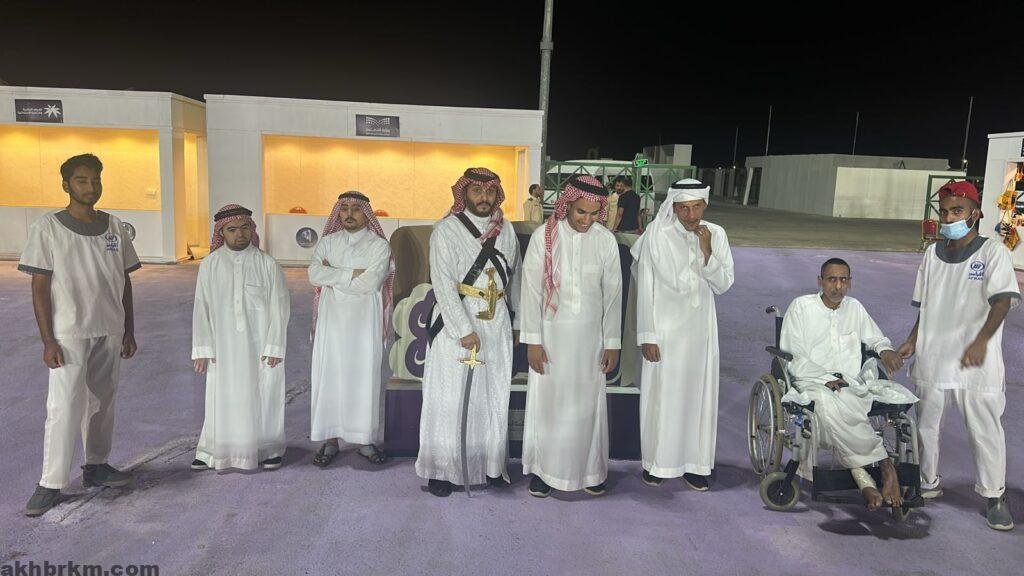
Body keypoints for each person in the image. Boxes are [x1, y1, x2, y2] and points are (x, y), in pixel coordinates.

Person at [21, 154, 141, 517]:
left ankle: (97, 465)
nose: (91, 187)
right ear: (66, 185)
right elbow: (39, 286)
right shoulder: (48, 228)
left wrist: (129, 329)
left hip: (110, 328)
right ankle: (50, 482)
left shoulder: (114, 226)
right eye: (82, 180)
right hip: (70, 332)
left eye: (95, 180)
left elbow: (125, 281)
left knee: (103, 401)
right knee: (64, 406)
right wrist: (48, 340)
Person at [897, 181, 1020, 531]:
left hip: (975, 361)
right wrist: (912, 340)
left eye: (957, 211)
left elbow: (1002, 302)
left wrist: (981, 341)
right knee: (926, 426)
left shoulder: (993, 252)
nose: (949, 218)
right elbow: (927, 306)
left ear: (975, 213)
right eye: (945, 212)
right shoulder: (931, 255)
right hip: (933, 355)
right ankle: (927, 482)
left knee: (985, 430)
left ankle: (994, 496)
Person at [415, 168, 521, 497]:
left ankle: (490, 467)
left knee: (493, 395)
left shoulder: (506, 230)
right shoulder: (446, 230)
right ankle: (442, 472)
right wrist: (463, 329)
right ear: (464, 193)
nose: (483, 198)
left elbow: (515, 278)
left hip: (496, 320)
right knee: (451, 397)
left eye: (489, 191)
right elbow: (443, 283)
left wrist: (517, 323)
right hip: (456, 323)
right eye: (476, 191)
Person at [780, 258, 918, 510]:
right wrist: (825, 379)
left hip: (849, 383)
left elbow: (876, 338)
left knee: (844, 401)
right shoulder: (801, 307)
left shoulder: (854, 307)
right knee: (827, 402)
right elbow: (794, 354)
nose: (838, 286)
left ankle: (864, 477)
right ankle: (882, 467)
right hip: (812, 381)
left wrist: (885, 350)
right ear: (820, 281)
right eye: (832, 279)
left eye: (843, 280)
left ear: (850, 283)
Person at [519, 174, 622, 497]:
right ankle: (543, 471)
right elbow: (531, 292)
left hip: (591, 341)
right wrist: (533, 341)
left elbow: (613, 295)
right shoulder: (544, 237)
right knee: (549, 405)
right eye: (580, 212)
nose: (586, 220)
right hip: (551, 339)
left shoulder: (605, 240)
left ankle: (590, 471)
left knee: (588, 407)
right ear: (567, 205)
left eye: (593, 214)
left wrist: (612, 343)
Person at [632, 179, 734, 491]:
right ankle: (656, 463)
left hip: (700, 332)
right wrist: (647, 334)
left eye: (696, 207)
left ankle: (695, 465)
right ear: (674, 207)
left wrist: (707, 251)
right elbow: (645, 286)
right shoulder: (656, 234)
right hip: (663, 331)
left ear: (705, 205)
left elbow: (723, 284)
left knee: (698, 396)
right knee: (661, 397)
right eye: (684, 208)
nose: (691, 215)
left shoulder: (716, 234)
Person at [190, 204, 290, 472]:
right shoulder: (210, 264)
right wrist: (202, 348)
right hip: (222, 347)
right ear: (221, 233)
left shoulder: (267, 264)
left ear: (252, 229)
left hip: (260, 348)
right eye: (232, 229)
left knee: (264, 394)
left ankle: (267, 449)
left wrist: (275, 345)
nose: (240, 234)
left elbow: (280, 307)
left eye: (245, 228)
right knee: (221, 396)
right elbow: (201, 307)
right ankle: (213, 450)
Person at [309, 191, 394, 467]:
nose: (348, 214)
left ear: (366, 214)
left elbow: (370, 283)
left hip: (363, 324)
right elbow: (314, 274)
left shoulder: (379, 246)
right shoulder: (327, 242)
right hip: (331, 324)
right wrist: (351, 273)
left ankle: (364, 440)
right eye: (343, 208)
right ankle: (330, 440)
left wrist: (334, 275)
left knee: (363, 377)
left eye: (355, 209)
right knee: (329, 376)